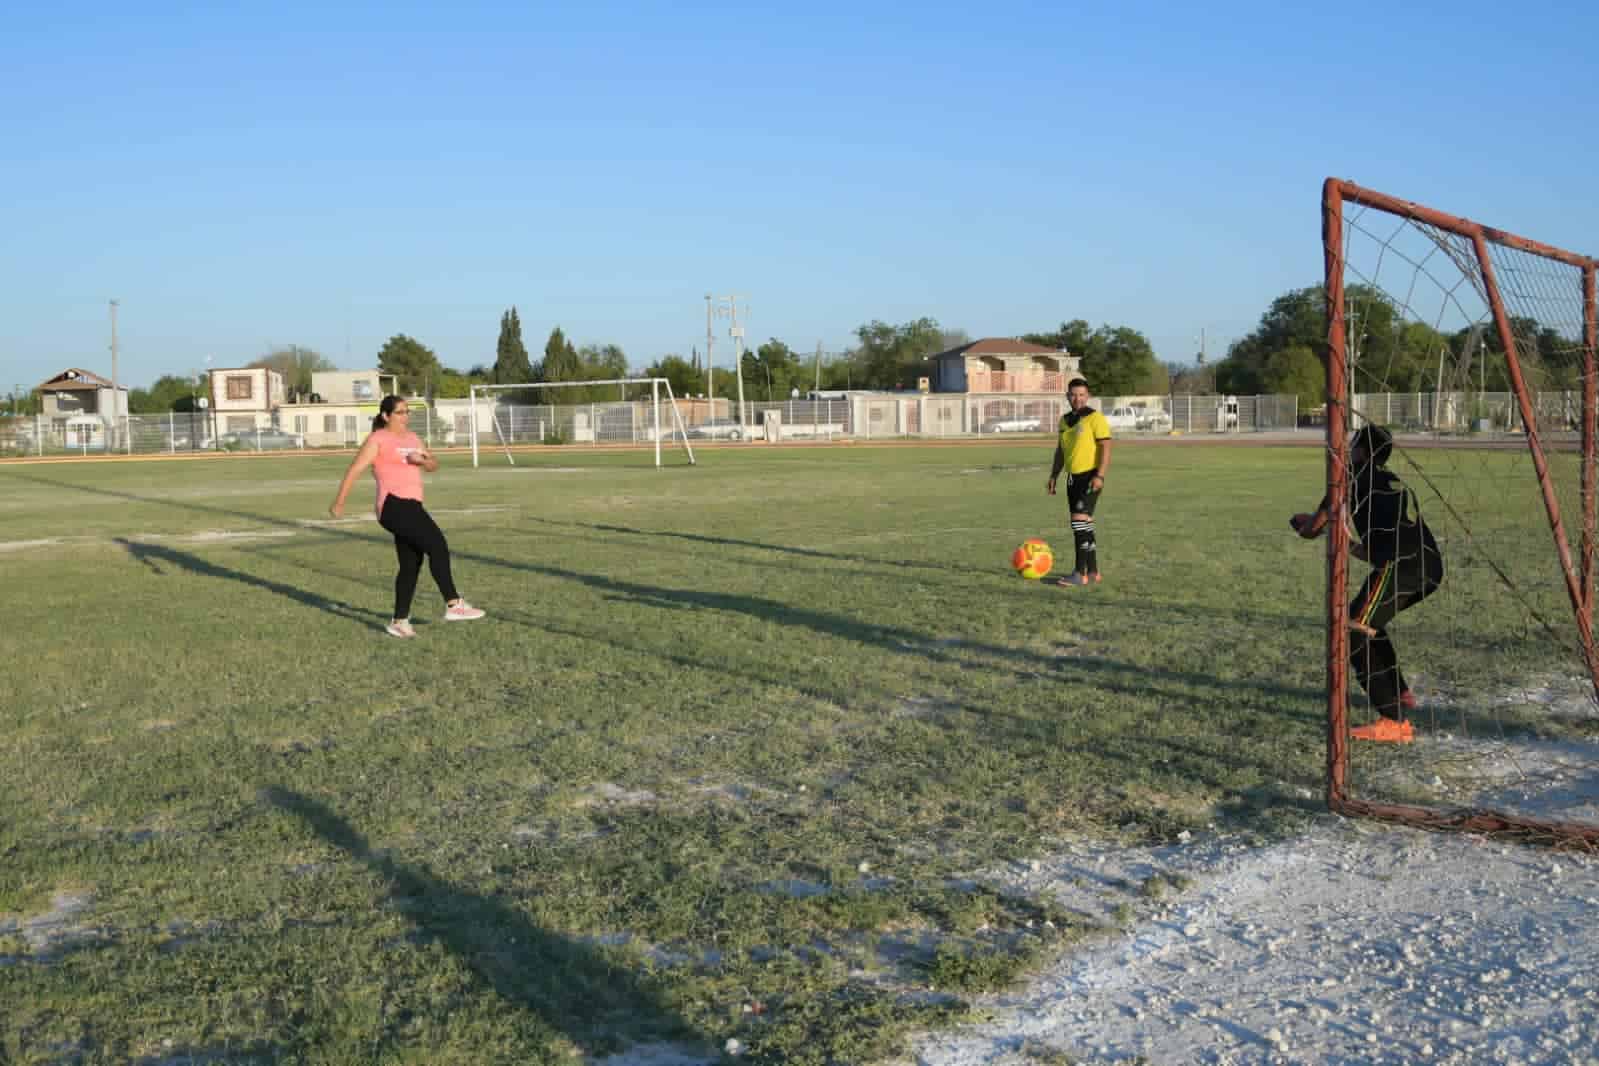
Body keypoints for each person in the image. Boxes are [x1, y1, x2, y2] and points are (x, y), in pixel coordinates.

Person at [1292, 424, 1442, 742]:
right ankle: (1400, 694)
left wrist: (1304, 524)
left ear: (1361, 451)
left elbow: (1312, 529)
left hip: (1403, 566)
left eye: (1353, 443)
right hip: (1427, 566)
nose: (1347, 448)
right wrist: (1339, 538)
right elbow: (1374, 548)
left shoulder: (1349, 477)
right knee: (1369, 623)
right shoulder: (1387, 480)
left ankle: (1394, 721)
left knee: (1351, 630)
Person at [329, 395, 485, 637]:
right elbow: (354, 469)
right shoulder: (378, 439)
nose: (405, 416)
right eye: (400, 412)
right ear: (386, 416)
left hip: (412, 506)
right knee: (437, 545)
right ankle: (454, 604)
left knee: (411, 563)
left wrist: (421, 460)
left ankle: (399, 621)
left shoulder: (412, 438)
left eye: (407, 412)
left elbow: (433, 464)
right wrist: (339, 503)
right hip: (393, 505)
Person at [1046, 378, 1113, 586]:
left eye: (1082, 394)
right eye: (1074, 394)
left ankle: (1078, 573)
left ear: (1088, 396)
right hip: (1072, 478)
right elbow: (1060, 450)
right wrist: (1054, 475)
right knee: (1084, 524)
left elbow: (1106, 448)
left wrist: (1100, 475)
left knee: (1078, 522)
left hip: (1090, 476)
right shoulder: (1064, 421)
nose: (1078, 398)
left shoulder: (1096, 419)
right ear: (1068, 396)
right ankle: (1093, 572)